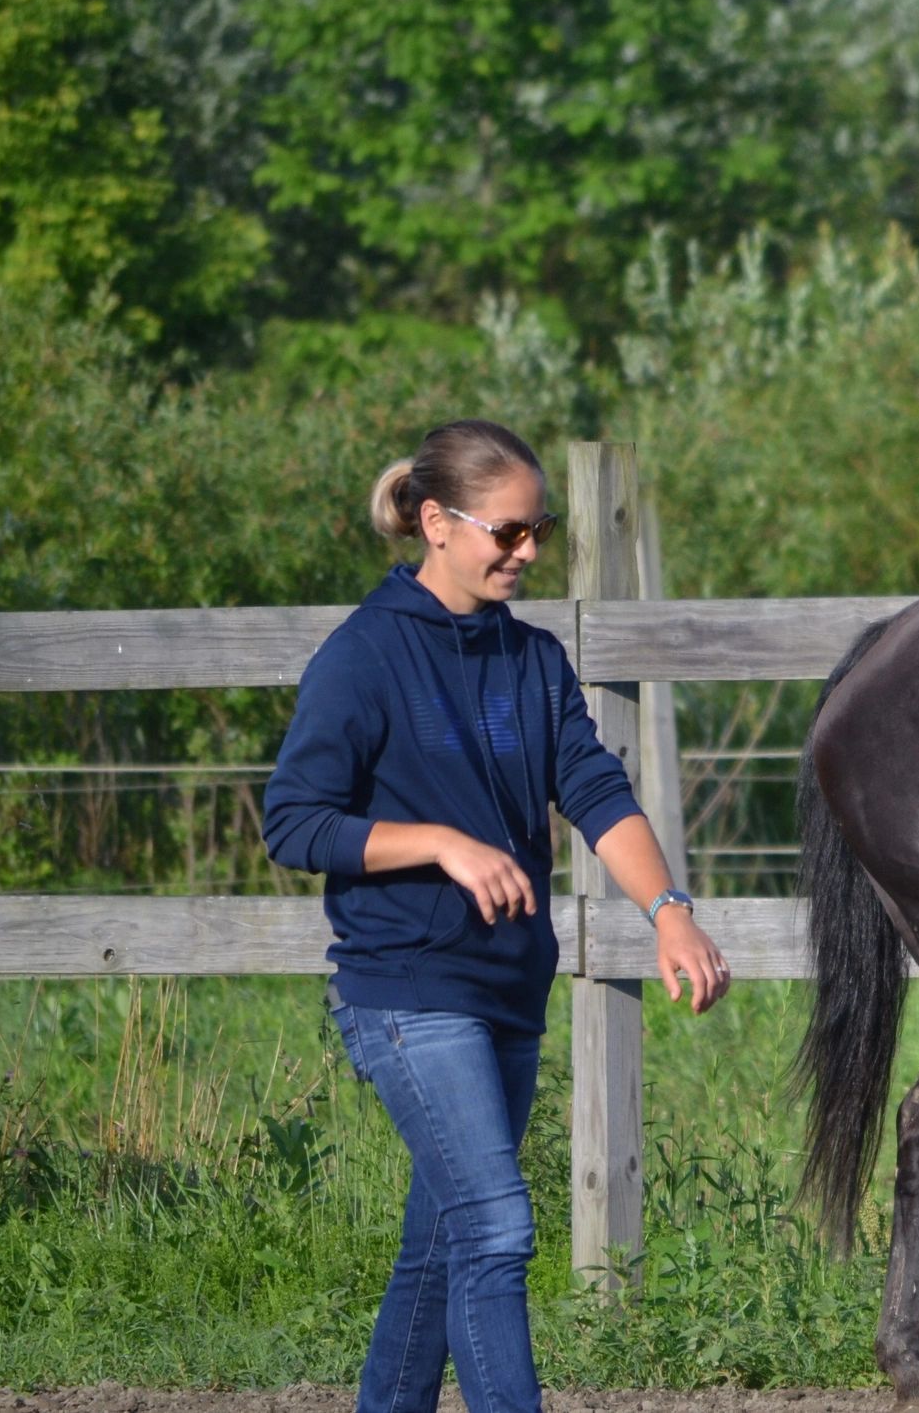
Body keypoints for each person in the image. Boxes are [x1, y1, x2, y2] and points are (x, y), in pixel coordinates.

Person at [264, 419, 729, 1413]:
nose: (525, 553)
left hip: (508, 990)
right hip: (406, 991)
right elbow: (296, 824)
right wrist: (437, 841)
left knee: (441, 1242)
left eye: (539, 532)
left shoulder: (535, 660)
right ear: (436, 523)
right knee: (496, 1228)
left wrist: (669, 910)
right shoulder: (363, 657)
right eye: (506, 533)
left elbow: (595, 790)